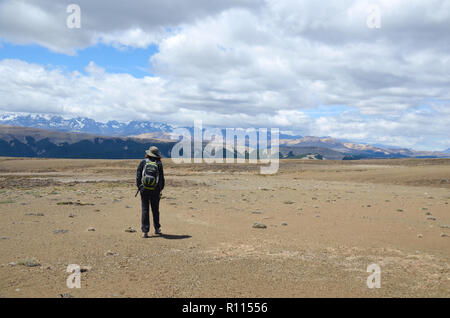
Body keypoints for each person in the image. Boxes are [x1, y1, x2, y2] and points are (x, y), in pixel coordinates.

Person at [136, 146, 165, 238]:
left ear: (148, 154)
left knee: (145, 209)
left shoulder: (143, 162)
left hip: (144, 189)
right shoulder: (159, 163)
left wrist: (140, 187)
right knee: (155, 210)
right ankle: (157, 229)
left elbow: (138, 176)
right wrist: (160, 189)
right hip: (155, 189)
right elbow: (161, 179)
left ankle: (145, 231)